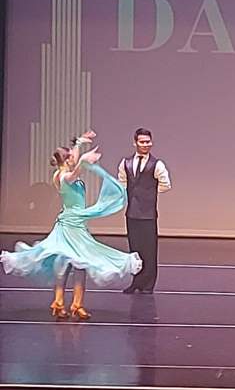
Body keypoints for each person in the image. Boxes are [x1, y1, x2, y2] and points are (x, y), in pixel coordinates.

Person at [1, 132, 142, 319]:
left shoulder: (63, 173)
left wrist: (79, 143)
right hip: (70, 226)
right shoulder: (64, 176)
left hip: (74, 223)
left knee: (69, 263)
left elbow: (76, 162)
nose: (74, 158)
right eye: (71, 157)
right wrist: (83, 159)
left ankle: (64, 303)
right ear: (67, 160)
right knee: (77, 263)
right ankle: (70, 304)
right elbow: (76, 170)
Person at [118, 128, 171, 294]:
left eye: (148, 142)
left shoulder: (157, 164)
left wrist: (148, 194)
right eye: (142, 142)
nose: (146, 145)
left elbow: (166, 184)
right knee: (135, 249)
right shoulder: (126, 163)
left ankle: (148, 284)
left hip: (148, 214)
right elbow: (122, 183)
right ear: (135, 143)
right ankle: (136, 282)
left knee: (149, 250)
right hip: (132, 213)